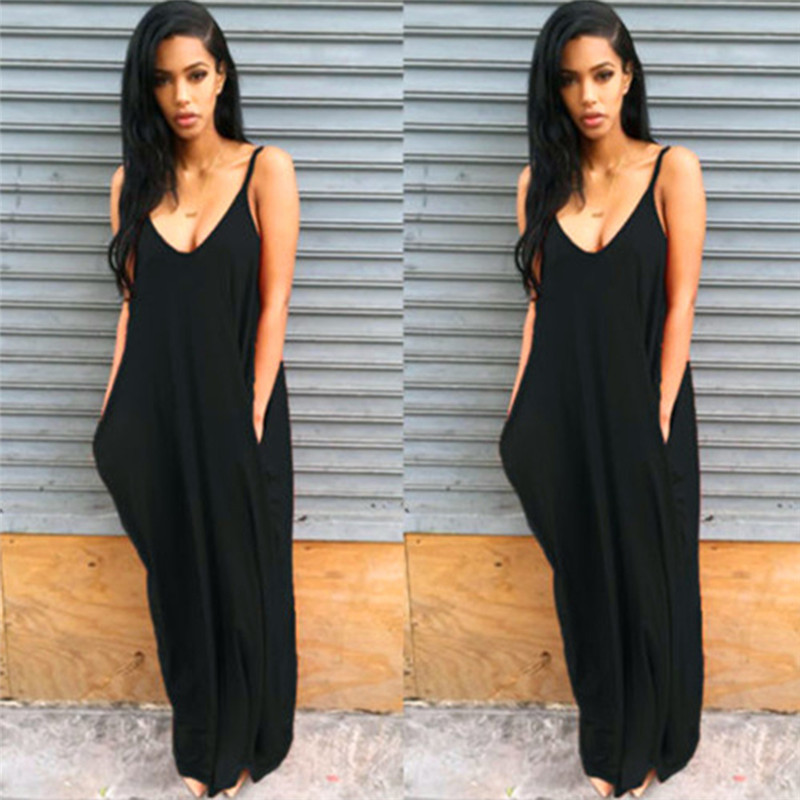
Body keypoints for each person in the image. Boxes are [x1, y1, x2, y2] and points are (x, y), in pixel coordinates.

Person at [92, 2, 299, 796]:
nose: (181, 96)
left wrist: (253, 414)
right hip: (152, 418)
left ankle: (248, 745)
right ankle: (200, 752)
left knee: (245, 582)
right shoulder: (131, 185)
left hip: (237, 414)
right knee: (178, 587)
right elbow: (132, 308)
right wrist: (111, 416)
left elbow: (275, 303)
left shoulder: (266, 170)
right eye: (163, 80)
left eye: (196, 75)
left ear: (222, 78)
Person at [498, 2, 706, 797]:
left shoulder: (672, 170)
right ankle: (608, 746)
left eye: (602, 75)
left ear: (628, 78)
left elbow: (681, 303)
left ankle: (655, 743)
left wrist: (659, 414)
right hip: (559, 419)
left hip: (644, 415)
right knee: (585, 586)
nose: (587, 95)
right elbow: (539, 309)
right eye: (569, 80)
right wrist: (517, 416)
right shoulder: (538, 185)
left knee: (651, 583)